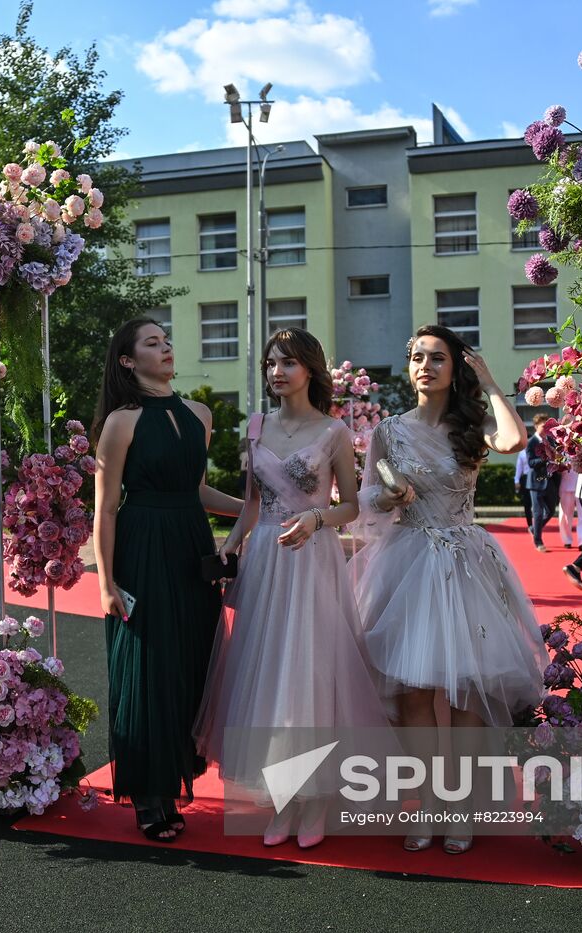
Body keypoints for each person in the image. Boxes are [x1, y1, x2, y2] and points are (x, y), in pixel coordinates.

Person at [351, 325, 548, 854]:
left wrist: (487, 380)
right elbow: (366, 496)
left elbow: (513, 440)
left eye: (438, 358)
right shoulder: (388, 431)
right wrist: (390, 498)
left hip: (465, 566)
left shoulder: (472, 425)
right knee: (414, 697)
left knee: (465, 698)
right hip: (408, 562)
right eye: (417, 356)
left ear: (453, 368)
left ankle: (460, 807)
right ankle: (428, 804)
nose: (425, 365)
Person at [194, 328, 390, 849]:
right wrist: (230, 547)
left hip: (312, 560)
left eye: (288, 362)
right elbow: (252, 505)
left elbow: (352, 505)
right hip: (265, 562)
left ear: (310, 369)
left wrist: (318, 520)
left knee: (311, 672)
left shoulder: (334, 431)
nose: (277, 371)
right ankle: (285, 795)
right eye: (270, 363)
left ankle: (318, 798)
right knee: (270, 674)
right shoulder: (256, 427)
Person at [92, 318, 242, 843]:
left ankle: (178, 768)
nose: (166, 348)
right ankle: (151, 795)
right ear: (129, 360)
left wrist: (257, 510)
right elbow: (106, 509)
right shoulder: (121, 422)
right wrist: (107, 582)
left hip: (190, 546)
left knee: (191, 658)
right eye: (152, 343)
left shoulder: (200, 415)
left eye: (167, 341)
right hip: (141, 546)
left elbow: (198, 490)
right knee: (149, 664)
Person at [524, 414, 553, 552]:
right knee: (538, 513)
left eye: (547, 426)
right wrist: (545, 458)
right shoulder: (531, 442)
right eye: (543, 426)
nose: (546, 428)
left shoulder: (551, 440)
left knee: (551, 512)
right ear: (536, 426)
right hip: (535, 483)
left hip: (550, 482)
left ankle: (533, 529)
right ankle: (538, 542)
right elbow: (530, 463)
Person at [513, 448, 533, 527]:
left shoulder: (537, 450)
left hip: (536, 478)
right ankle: (530, 524)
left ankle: (538, 524)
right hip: (526, 478)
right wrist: (516, 480)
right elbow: (519, 468)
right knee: (527, 503)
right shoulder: (522, 453)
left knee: (537, 503)